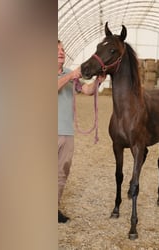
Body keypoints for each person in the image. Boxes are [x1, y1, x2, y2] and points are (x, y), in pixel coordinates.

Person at [58, 39, 99, 223]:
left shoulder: (70, 74)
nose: (61, 52)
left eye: (63, 49)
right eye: (57, 49)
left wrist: (98, 81)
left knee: (61, 172)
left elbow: (87, 90)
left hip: (66, 132)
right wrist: (71, 75)